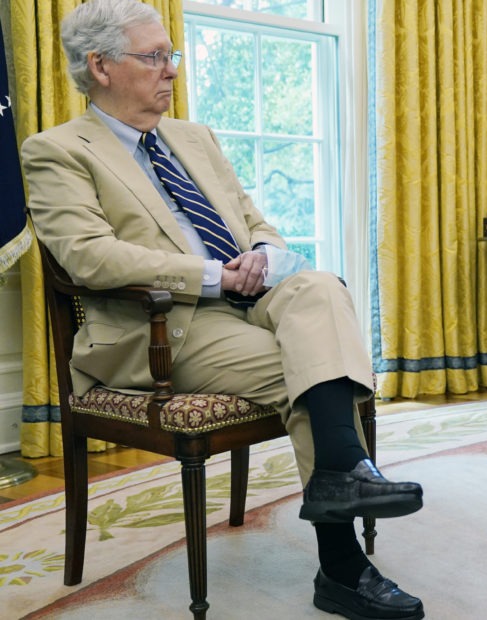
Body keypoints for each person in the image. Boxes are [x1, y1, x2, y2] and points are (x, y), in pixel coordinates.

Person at [20, 1, 424, 618]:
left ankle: (340, 476)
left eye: (170, 55)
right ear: (100, 66)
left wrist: (262, 252)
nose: (171, 70)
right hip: (162, 326)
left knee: (319, 287)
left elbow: (255, 221)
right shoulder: (58, 150)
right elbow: (89, 258)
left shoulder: (192, 137)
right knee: (318, 377)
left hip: (251, 300)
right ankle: (342, 564)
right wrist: (214, 275)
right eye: (154, 57)